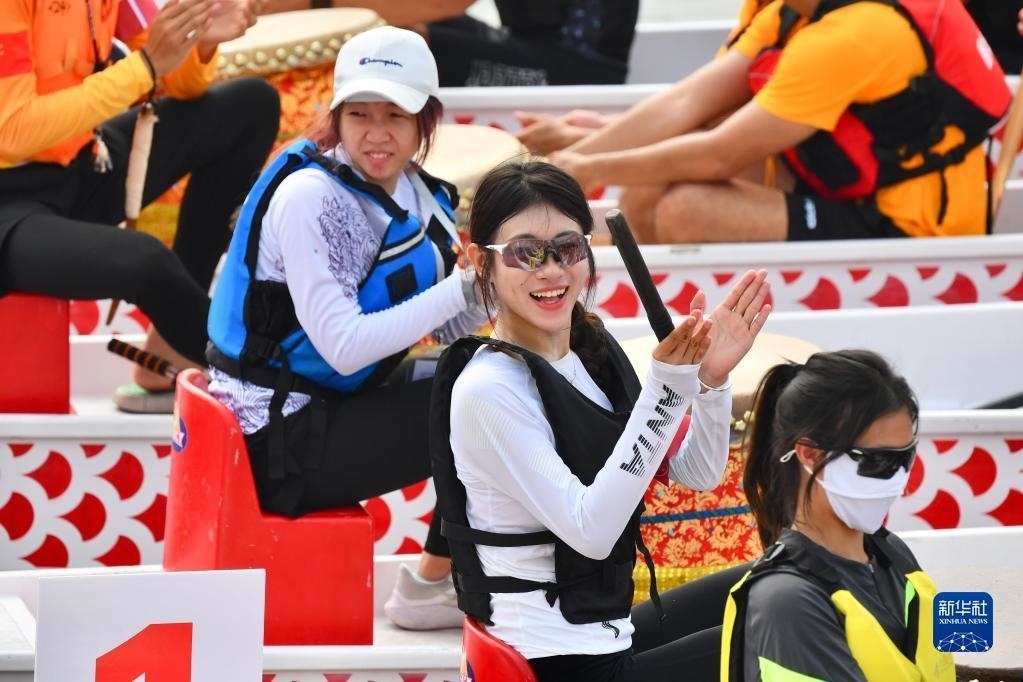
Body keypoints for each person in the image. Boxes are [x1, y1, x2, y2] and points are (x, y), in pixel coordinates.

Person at [429, 159, 773, 680]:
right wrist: (665, 391)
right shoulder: (488, 390)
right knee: (774, 640)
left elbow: (698, 472)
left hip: (605, 633)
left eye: (568, 248)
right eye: (526, 253)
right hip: (555, 661)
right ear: (483, 262)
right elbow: (590, 532)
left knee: (774, 586)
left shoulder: (590, 352)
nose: (551, 270)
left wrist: (710, 381)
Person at [205, 25, 491, 631]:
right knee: (486, 403)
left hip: (331, 406)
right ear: (336, 117)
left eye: (396, 115)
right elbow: (342, 348)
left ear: (425, 120)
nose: (376, 134)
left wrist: (499, 288)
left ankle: (457, 574)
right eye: (359, 114)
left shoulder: (418, 195)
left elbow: (457, 329)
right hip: (277, 441)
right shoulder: (310, 198)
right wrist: (460, 288)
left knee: (499, 374)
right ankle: (430, 586)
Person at [0, 0, 280, 412]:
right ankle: (274, 382)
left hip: (77, 167)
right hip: (8, 207)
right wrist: (145, 66)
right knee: (145, 262)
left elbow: (183, 86)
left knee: (251, 105)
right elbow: (12, 130)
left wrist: (199, 39)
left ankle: (172, 349)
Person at [549, 0, 1011, 244]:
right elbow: (686, 103)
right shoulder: (790, 12)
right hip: (841, 180)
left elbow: (720, 154)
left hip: (911, 226)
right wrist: (565, 158)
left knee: (683, 209)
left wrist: (587, 169)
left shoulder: (853, 34)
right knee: (653, 183)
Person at [721, 349, 955, 681]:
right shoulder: (787, 600)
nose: (897, 478)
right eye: (877, 461)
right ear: (810, 454)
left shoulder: (892, 553)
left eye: (906, 457)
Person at [515, 0, 775, 156]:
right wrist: (602, 127)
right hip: (588, 58)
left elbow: (722, 147)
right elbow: (693, 104)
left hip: (587, 64)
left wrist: (577, 152)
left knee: (674, 200)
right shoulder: (772, 12)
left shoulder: (793, 24)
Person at [260, 0, 639, 87]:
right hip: (528, 45)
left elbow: (443, 3)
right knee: (400, 26)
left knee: (410, 41)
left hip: (580, 72)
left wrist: (312, 5)